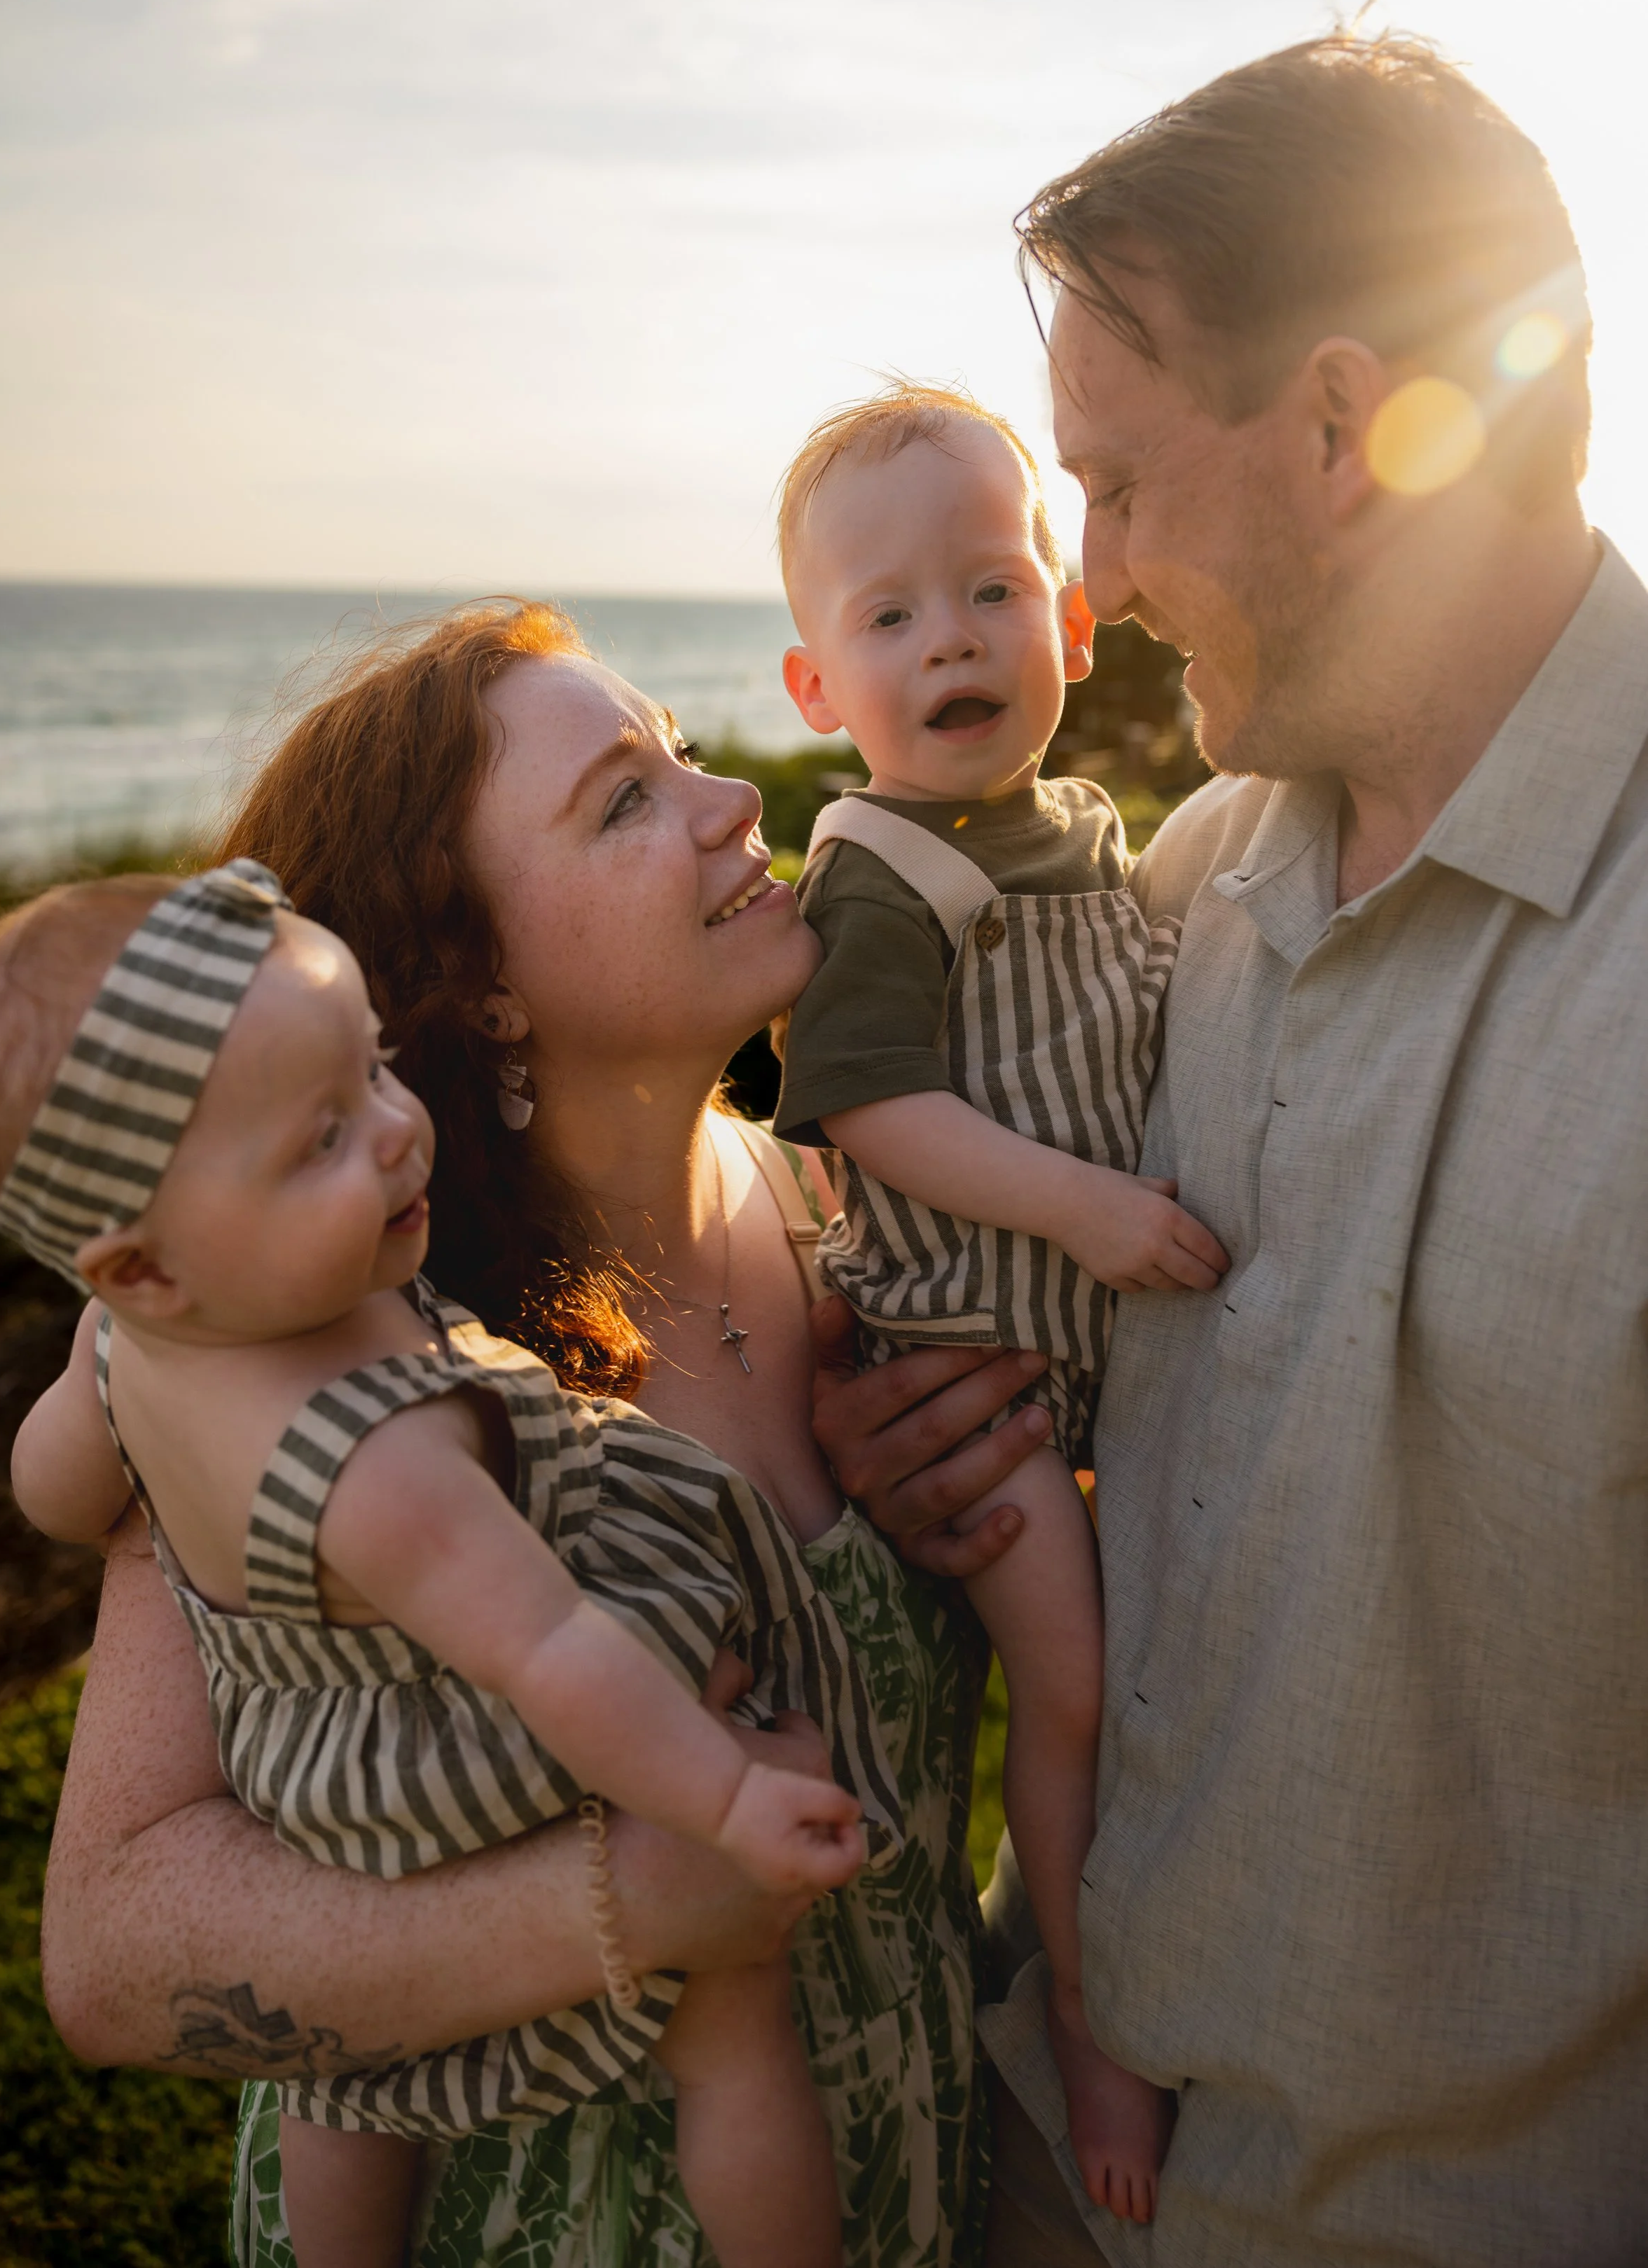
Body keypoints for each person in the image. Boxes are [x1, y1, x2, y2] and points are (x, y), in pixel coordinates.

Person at [810, 32, 1648, 2267]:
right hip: (1031, 2155)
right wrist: (963, 1453)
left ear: (1342, 429)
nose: (1086, 578)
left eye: (1115, 486)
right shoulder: (1172, 885)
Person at [36, 600, 1030, 2268]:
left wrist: (969, 1523)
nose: (728, 802)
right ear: (477, 985)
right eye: (624, 800)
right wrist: (626, 1903)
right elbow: (115, 1944)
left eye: (683, 756)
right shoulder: (329, 1348)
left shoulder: (848, 1218)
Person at [0, 858, 884, 2268]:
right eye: (319, 1139)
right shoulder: (383, 1464)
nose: (392, 1133)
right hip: (499, 1766)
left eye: (373, 1069)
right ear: (141, 1264)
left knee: (344, 2086)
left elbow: (53, 1483)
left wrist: (122, 1407)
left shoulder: (133, 1347)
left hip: (322, 1787)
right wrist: (729, 1798)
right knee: (728, 2030)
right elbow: (558, 1655)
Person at [772, 380, 1228, 2223]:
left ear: (1072, 619)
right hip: (980, 1364)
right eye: (885, 616)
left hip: (1094, 1356)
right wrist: (1095, 1213)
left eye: (986, 588)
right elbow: (867, 1099)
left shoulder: (1089, 833)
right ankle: (1093, 2020)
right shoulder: (879, 869)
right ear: (817, 690)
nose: (945, 637)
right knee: (1072, 1686)